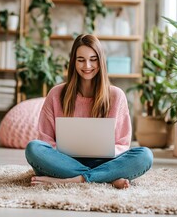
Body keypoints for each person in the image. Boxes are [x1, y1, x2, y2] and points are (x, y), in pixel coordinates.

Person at [25, 34, 153, 189]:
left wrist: (108, 153)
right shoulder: (56, 94)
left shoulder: (116, 95)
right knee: (33, 149)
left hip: (105, 161)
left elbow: (122, 143)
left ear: (101, 61)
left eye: (93, 59)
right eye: (81, 60)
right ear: (73, 62)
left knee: (144, 156)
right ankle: (106, 178)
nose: (87, 65)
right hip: (65, 161)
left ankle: (74, 180)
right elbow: (45, 140)